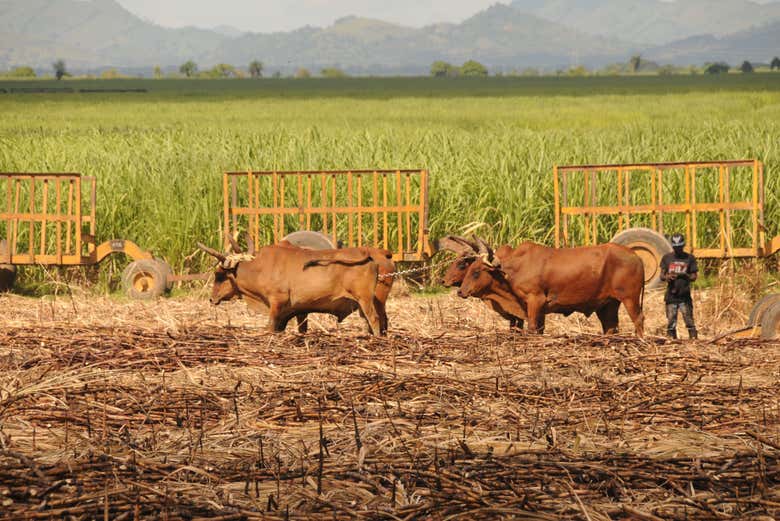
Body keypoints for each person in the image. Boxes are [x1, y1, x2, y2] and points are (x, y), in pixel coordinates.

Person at [660, 233, 698, 339]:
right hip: (671, 296)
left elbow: (694, 277)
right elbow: (662, 276)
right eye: (676, 248)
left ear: (683, 246)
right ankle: (672, 341)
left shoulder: (690, 258)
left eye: (680, 247)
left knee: (689, 321)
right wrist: (668, 277)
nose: (678, 250)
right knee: (671, 322)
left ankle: (694, 341)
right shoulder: (667, 258)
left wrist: (686, 275)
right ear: (673, 247)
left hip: (684, 296)